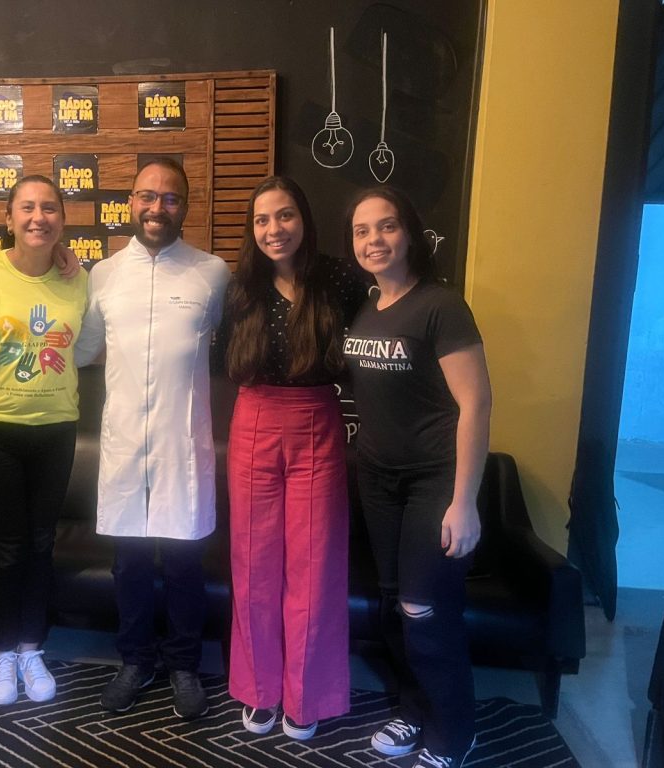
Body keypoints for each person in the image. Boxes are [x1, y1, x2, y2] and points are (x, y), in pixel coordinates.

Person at [341, 186, 492, 768]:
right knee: (390, 604)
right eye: (361, 231)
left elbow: (476, 404)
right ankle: (412, 709)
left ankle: (454, 731)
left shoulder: (441, 305)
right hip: (378, 479)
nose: (373, 240)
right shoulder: (366, 307)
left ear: (409, 232)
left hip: (434, 480)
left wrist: (465, 500)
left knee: (423, 609)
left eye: (386, 226)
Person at [75, 157, 230, 720]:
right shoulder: (103, 275)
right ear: (130, 203)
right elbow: (84, 350)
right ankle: (135, 661)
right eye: (146, 196)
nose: (156, 207)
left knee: (186, 566)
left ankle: (184, 664)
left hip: (183, 446)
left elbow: (232, 346)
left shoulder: (212, 273)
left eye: (169, 198)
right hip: (124, 448)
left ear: (185, 206)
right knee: (131, 566)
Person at [222, 176, 366, 740]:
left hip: (317, 423)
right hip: (254, 419)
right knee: (253, 564)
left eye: (284, 215)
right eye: (262, 220)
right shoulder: (240, 287)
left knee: (316, 565)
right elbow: (219, 359)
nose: (274, 229)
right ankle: (259, 690)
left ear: (303, 218)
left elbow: (374, 336)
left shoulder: (339, 279)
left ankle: (307, 694)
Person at [0, 175, 88, 706]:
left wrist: (67, 259)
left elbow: (89, 346)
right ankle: (2, 650)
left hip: (56, 428)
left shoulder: (80, 279)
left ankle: (32, 648)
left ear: (63, 218)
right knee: (7, 549)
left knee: (41, 544)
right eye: (28, 208)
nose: (39, 217)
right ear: (9, 218)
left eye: (50, 208)